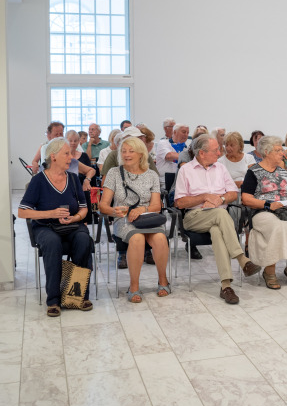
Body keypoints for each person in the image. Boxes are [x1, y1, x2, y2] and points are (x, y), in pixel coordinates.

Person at [175, 135, 261, 303]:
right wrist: (204, 197)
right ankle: (242, 259)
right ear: (202, 153)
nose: (219, 152)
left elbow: (232, 192)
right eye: (215, 150)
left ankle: (226, 286)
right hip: (194, 216)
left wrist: (220, 200)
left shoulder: (220, 168)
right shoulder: (186, 170)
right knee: (222, 214)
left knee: (217, 231)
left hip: (217, 218)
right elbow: (180, 202)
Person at [18, 138, 94, 316]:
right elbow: (22, 212)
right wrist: (50, 213)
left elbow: (83, 208)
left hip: (72, 225)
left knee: (84, 239)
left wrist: (75, 217)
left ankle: (78, 295)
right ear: (53, 156)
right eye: (66, 154)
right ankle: (53, 299)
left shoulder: (74, 179)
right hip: (46, 227)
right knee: (52, 243)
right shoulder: (38, 181)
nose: (71, 157)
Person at [99, 137, 169, 302]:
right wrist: (114, 211)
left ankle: (163, 280)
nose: (126, 154)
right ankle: (134, 286)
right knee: (137, 238)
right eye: (123, 151)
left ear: (141, 154)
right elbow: (103, 206)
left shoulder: (151, 175)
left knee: (159, 237)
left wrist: (141, 209)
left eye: (131, 151)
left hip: (148, 218)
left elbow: (156, 206)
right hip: (123, 220)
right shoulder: (114, 173)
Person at [241, 136, 287, 289]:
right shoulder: (254, 171)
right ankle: (269, 271)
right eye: (278, 150)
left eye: (281, 149)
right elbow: (245, 198)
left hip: (285, 209)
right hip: (262, 211)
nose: (282, 153)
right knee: (277, 226)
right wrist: (268, 204)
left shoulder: (283, 172)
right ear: (266, 152)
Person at [218, 131, 253, 231]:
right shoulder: (221, 161)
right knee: (235, 194)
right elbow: (220, 182)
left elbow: (253, 177)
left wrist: (242, 184)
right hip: (229, 192)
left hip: (247, 191)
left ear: (240, 145)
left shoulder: (248, 158)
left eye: (232, 145)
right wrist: (237, 184)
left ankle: (242, 227)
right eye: (226, 145)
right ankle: (235, 227)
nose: (228, 148)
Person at [155, 123, 190, 188]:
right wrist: (187, 158)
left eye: (187, 133)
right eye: (183, 132)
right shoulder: (163, 143)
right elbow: (169, 156)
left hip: (181, 181)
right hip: (164, 181)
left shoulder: (186, 148)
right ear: (175, 132)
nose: (186, 135)